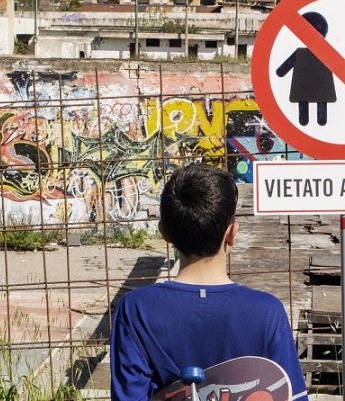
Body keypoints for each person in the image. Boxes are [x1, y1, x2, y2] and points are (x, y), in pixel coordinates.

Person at [109, 164, 307, 400]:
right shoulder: (267, 312)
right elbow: (289, 393)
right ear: (232, 233)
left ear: (164, 233)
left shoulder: (135, 310)